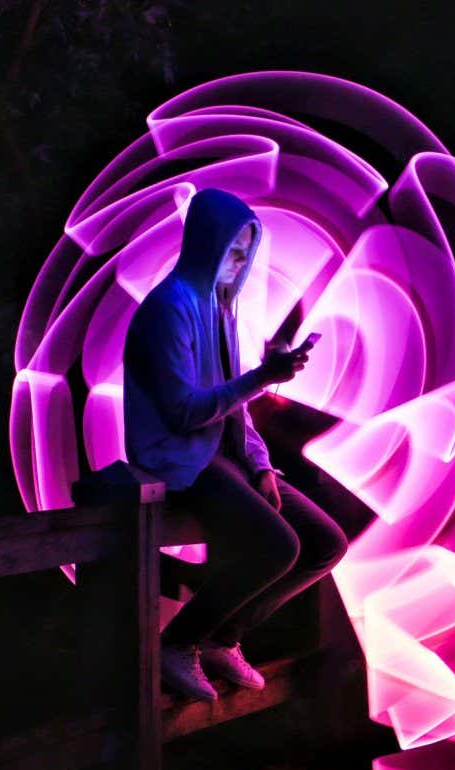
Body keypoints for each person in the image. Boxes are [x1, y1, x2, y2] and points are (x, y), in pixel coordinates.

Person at [122, 188, 349, 702]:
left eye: (248, 252)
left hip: (223, 456)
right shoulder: (169, 308)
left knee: (325, 543)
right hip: (179, 458)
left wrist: (261, 464)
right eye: (233, 249)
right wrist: (262, 378)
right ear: (207, 242)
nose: (240, 263)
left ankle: (221, 638)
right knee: (278, 545)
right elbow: (184, 412)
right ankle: (177, 643)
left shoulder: (221, 309)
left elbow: (234, 406)